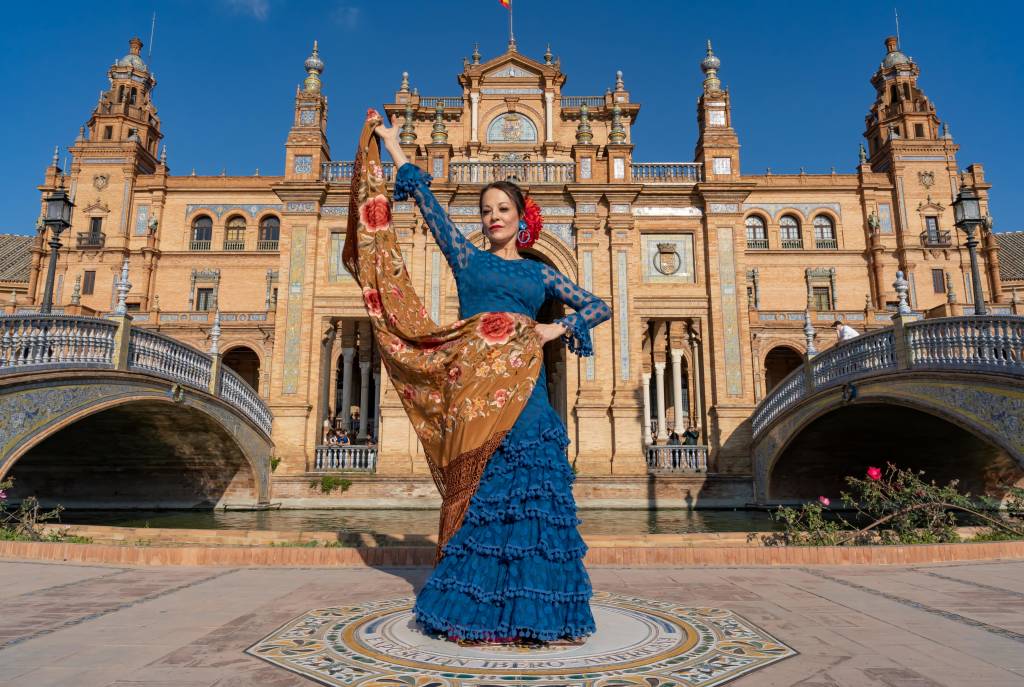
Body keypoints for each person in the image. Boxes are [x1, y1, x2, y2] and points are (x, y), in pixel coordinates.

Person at [374, 115, 611, 646]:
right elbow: (431, 211)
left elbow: (599, 306)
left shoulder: (538, 273)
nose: (492, 217)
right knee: (484, 499)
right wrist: (393, 147)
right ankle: (479, 615)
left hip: (526, 396)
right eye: (485, 211)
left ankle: (536, 614)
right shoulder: (466, 260)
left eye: (502, 209)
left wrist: (555, 327)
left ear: (521, 215)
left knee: (532, 500)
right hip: (476, 395)